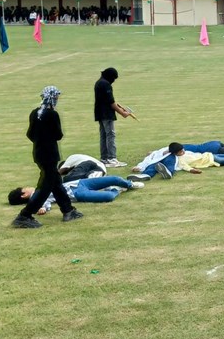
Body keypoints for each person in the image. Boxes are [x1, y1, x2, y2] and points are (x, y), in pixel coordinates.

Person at [11, 86, 85, 228]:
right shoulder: (52, 114)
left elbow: (30, 134)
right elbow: (58, 135)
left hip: (38, 153)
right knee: (45, 186)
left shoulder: (34, 113)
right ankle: (24, 215)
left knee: (56, 183)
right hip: (50, 154)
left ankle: (68, 210)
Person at [10, 174, 142, 209]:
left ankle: (130, 184)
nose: (28, 187)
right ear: (24, 195)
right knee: (108, 196)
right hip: (77, 194)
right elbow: (45, 203)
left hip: (79, 183)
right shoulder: (36, 197)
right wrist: (43, 209)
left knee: (114, 178)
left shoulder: (40, 187)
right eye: (25, 188)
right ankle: (115, 189)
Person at [94, 66, 133, 167]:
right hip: (107, 113)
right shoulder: (106, 84)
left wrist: (120, 108)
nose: (114, 81)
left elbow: (109, 100)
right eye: (114, 78)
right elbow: (111, 102)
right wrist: (123, 113)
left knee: (104, 135)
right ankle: (112, 159)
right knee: (110, 135)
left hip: (99, 113)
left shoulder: (99, 82)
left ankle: (104, 158)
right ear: (110, 76)